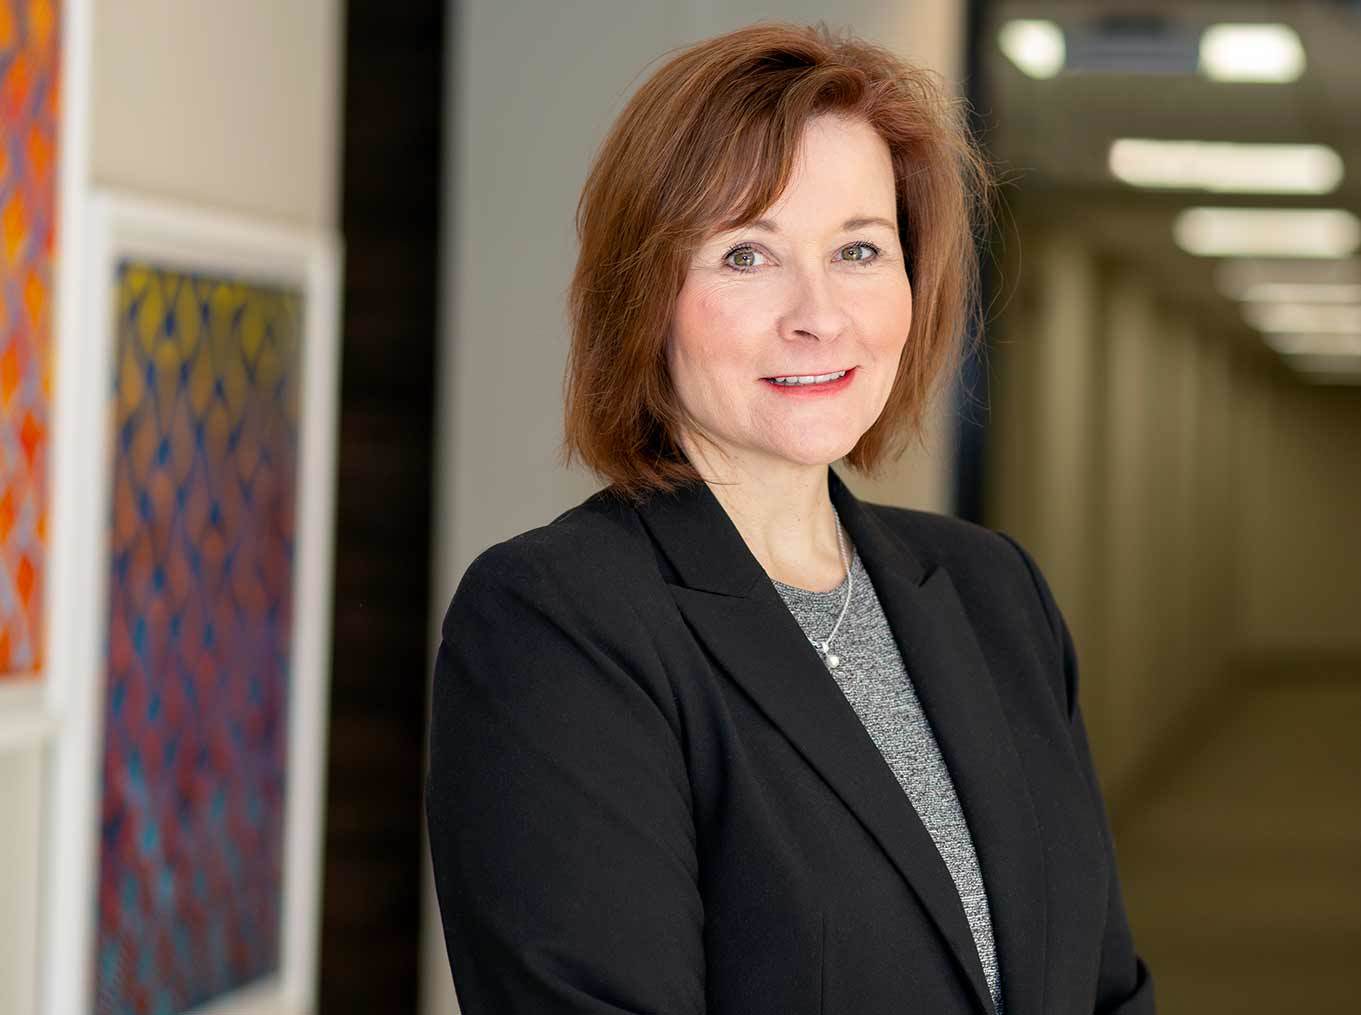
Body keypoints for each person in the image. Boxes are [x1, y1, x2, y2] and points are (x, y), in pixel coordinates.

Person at [425, 20, 1155, 1015]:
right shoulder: (559, 622)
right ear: (646, 294)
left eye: (858, 248)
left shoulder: (996, 594)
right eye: (746, 255)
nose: (818, 314)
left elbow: (1104, 988)